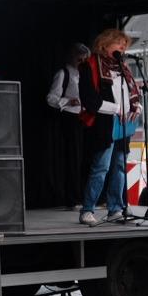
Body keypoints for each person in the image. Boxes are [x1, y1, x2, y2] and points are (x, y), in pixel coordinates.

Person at [78, 28, 143, 225]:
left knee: (120, 167)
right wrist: (116, 109)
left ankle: (116, 208)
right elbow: (90, 100)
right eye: (118, 43)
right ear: (104, 44)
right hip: (105, 123)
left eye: (125, 45)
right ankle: (87, 210)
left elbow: (133, 93)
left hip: (124, 124)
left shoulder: (123, 67)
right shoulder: (89, 66)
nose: (122, 48)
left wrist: (137, 106)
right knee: (101, 167)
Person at [44, 43, 91, 210]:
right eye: (80, 59)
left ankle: (85, 197)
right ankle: (72, 199)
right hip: (70, 118)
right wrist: (67, 101)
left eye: (85, 59)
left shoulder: (85, 74)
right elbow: (51, 98)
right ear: (72, 58)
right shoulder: (63, 73)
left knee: (85, 158)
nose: (82, 62)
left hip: (85, 118)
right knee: (73, 159)